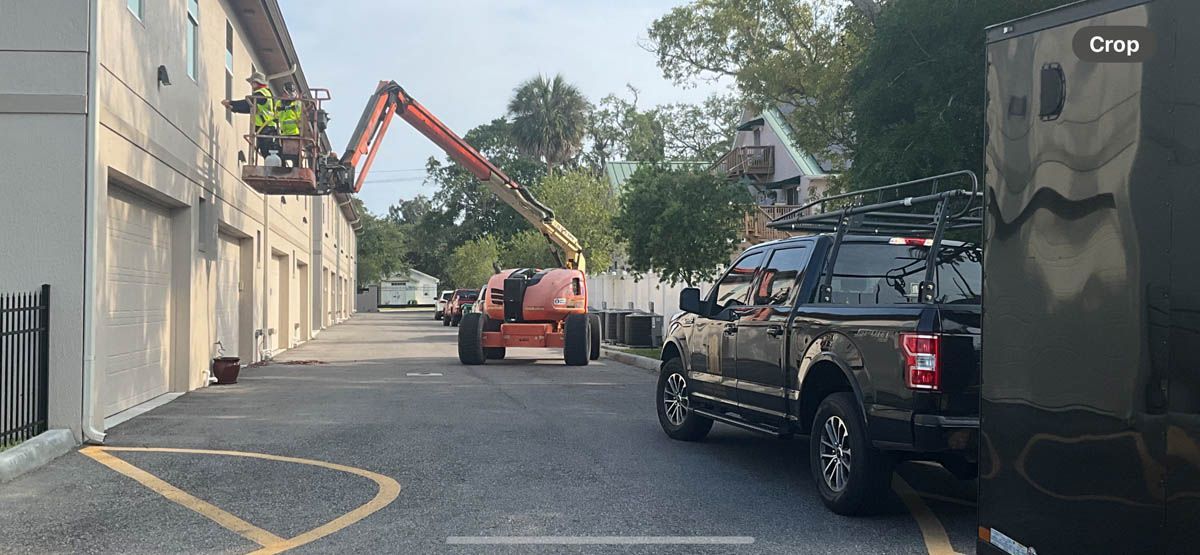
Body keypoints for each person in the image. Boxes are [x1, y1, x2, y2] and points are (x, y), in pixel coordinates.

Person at [222, 72, 277, 158]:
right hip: (265, 128)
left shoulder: (261, 94)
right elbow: (249, 108)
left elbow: (247, 104)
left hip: (266, 128)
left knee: (267, 152)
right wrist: (232, 108)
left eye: (252, 83)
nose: (251, 85)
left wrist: (231, 103)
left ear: (256, 83)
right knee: (266, 152)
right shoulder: (264, 94)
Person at [276, 82, 304, 167]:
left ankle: (298, 169)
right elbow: (276, 115)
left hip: (295, 133)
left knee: (295, 156)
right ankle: (282, 169)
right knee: (281, 154)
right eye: (286, 93)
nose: (288, 95)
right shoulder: (279, 103)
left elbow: (302, 115)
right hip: (283, 133)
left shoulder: (297, 103)